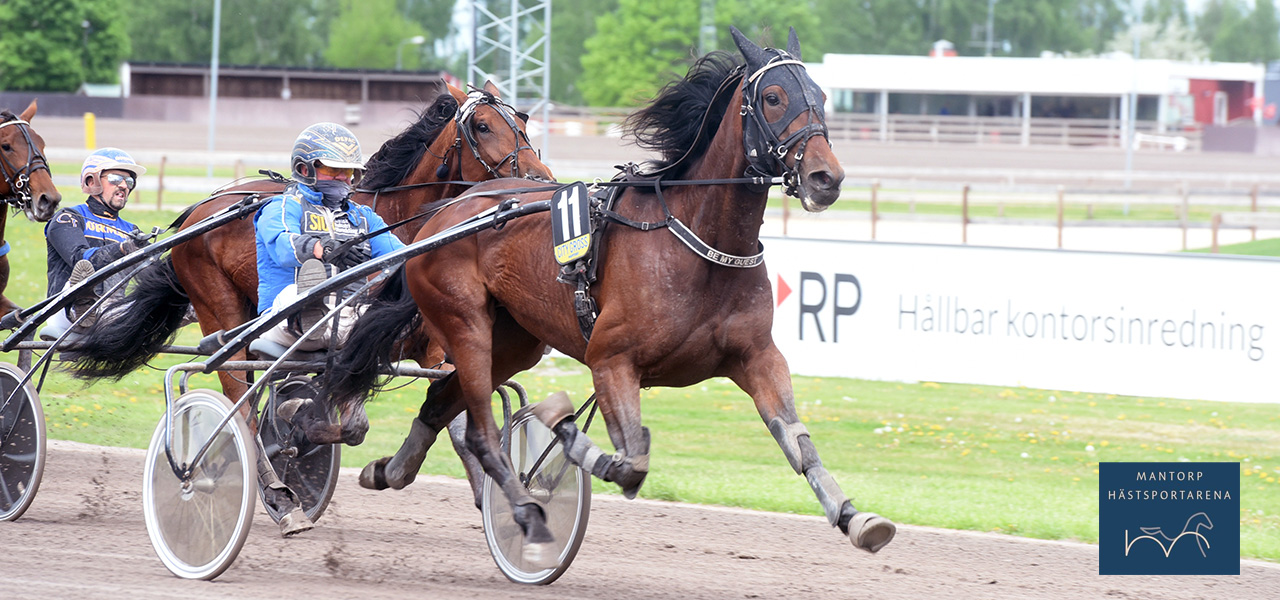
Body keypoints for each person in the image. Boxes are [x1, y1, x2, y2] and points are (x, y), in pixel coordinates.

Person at [253, 122, 406, 354]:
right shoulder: (283, 206)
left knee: (397, 304)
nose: (344, 178)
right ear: (305, 169)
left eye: (350, 171)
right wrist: (323, 248)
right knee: (295, 295)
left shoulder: (363, 216)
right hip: (282, 319)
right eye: (334, 170)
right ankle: (310, 309)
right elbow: (282, 247)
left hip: (350, 318)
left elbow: (400, 256)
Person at [42, 148, 150, 339]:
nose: (124, 186)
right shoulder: (68, 218)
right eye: (116, 179)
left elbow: (152, 276)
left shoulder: (131, 230)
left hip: (115, 310)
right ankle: (86, 305)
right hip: (66, 310)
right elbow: (79, 258)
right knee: (85, 268)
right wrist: (123, 248)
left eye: (130, 181)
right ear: (92, 181)